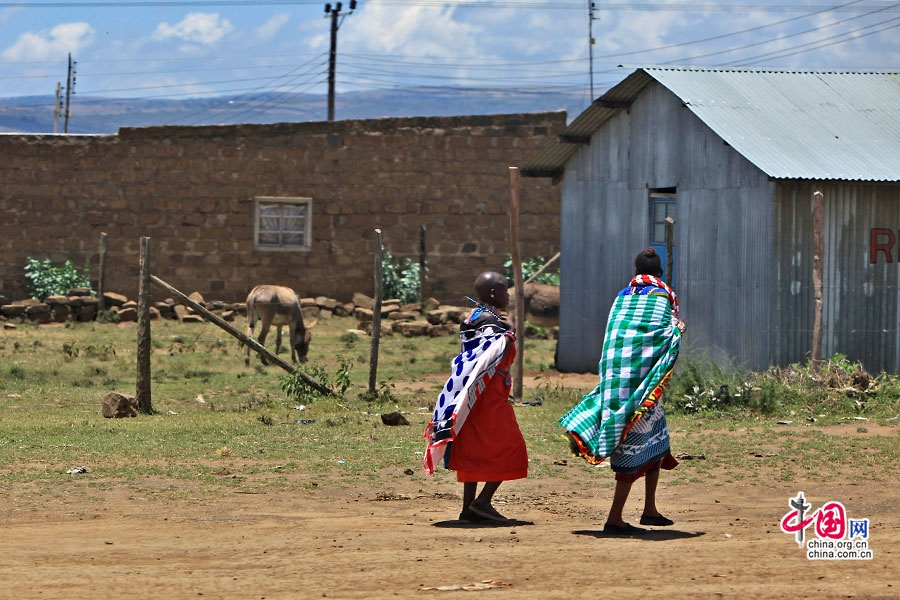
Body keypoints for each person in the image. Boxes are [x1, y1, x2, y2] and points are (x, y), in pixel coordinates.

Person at [559, 248, 685, 535]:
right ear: (661, 272)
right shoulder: (662, 297)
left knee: (658, 445)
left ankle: (650, 510)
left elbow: (619, 335)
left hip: (620, 377)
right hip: (636, 386)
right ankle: (614, 517)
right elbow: (660, 333)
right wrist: (678, 329)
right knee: (631, 450)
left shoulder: (622, 297)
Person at [423, 271, 528, 523]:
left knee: (471, 449)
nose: (508, 295)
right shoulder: (491, 322)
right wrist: (510, 330)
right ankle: (483, 501)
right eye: (504, 290)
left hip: (472, 395)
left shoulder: (474, 316)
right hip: (488, 395)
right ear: (493, 293)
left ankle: (468, 509)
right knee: (512, 449)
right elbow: (492, 355)